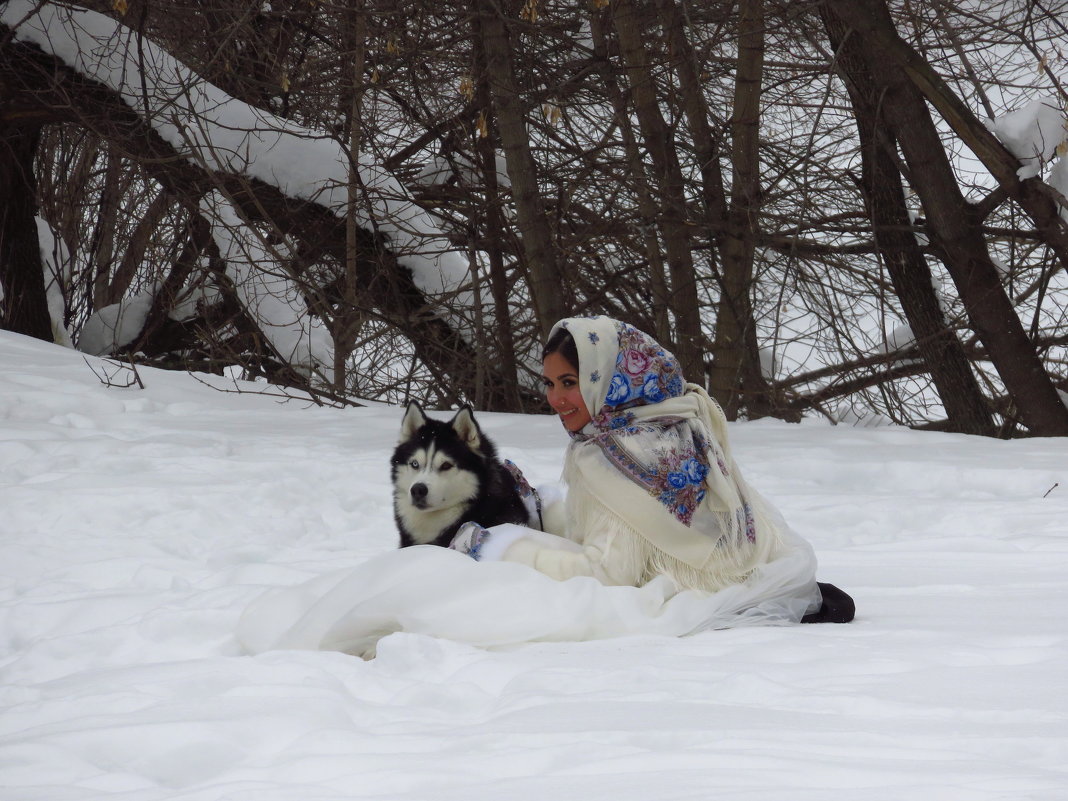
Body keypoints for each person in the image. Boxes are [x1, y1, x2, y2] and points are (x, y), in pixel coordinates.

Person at [449, 315, 854, 624]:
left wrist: (498, 550)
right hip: (745, 577)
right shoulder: (677, 425)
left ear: (607, 379)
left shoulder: (612, 456)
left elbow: (608, 575)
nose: (555, 399)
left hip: (687, 599)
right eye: (550, 383)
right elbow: (630, 537)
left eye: (569, 382)